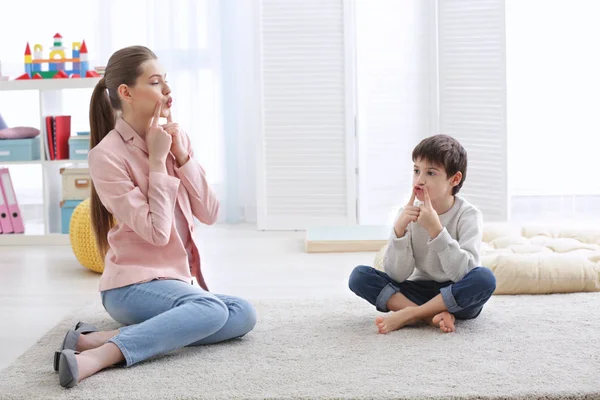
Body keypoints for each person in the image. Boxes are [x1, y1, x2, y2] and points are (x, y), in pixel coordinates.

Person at [54, 46, 256, 388]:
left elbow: (210, 212)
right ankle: (101, 356)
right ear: (126, 92)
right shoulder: (106, 156)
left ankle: (104, 337)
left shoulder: (175, 138)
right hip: (130, 288)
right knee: (212, 312)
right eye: (156, 81)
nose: (167, 90)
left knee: (242, 313)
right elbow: (157, 233)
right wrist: (157, 162)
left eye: (167, 81)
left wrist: (181, 156)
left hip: (174, 283)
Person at [348, 134, 496, 334]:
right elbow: (397, 275)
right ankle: (429, 316)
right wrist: (399, 232)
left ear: (455, 179)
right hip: (418, 290)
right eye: (416, 170)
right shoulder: (407, 214)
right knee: (359, 276)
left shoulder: (468, 215)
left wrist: (436, 230)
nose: (420, 180)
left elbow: (465, 273)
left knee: (484, 279)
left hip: (457, 294)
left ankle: (409, 314)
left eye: (431, 173)